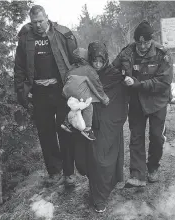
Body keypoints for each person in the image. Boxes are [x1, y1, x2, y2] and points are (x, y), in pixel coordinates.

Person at [14, 5, 79, 186]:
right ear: (30, 21)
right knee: (46, 133)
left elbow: (75, 61)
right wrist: (21, 90)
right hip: (39, 92)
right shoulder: (26, 38)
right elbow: (19, 67)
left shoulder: (62, 34)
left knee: (65, 129)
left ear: (47, 18)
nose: (38, 25)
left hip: (61, 90)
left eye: (41, 21)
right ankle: (54, 170)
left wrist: (78, 86)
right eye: (34, 22)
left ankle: (69, 172)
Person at [112, 20, 173, 187]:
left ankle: (153, 167)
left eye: (146, 42)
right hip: (137, 102)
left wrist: (139, 84)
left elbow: (164, 81)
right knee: (136, 136)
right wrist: (121, 78)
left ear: (151, 40)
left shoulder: (162, 54)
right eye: (139, 42)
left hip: (157, 101)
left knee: (156, 137)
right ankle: (137, 174)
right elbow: (113, 69)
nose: (143, 45)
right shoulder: (127, 52)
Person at [73, 41, 129, 213]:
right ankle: (98, 197)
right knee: (95, 161)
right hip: (92, 125)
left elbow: (122, 97)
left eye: (100, 61)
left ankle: (104, 191)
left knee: (107, 161)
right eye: (94, 61)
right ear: (90, 60)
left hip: (110, 125)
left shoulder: (114, 75)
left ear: (105, 60)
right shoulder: (85, 74)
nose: (97, 65)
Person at [61, 55, 110, 140]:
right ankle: (87, 129)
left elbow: (66, 79)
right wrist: (104, 99)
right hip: (78, 90)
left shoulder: (70, 69)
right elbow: (96, 86)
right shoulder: (88, 69)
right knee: (88, 105)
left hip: (66, 90)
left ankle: (67, 123)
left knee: (75, 106)